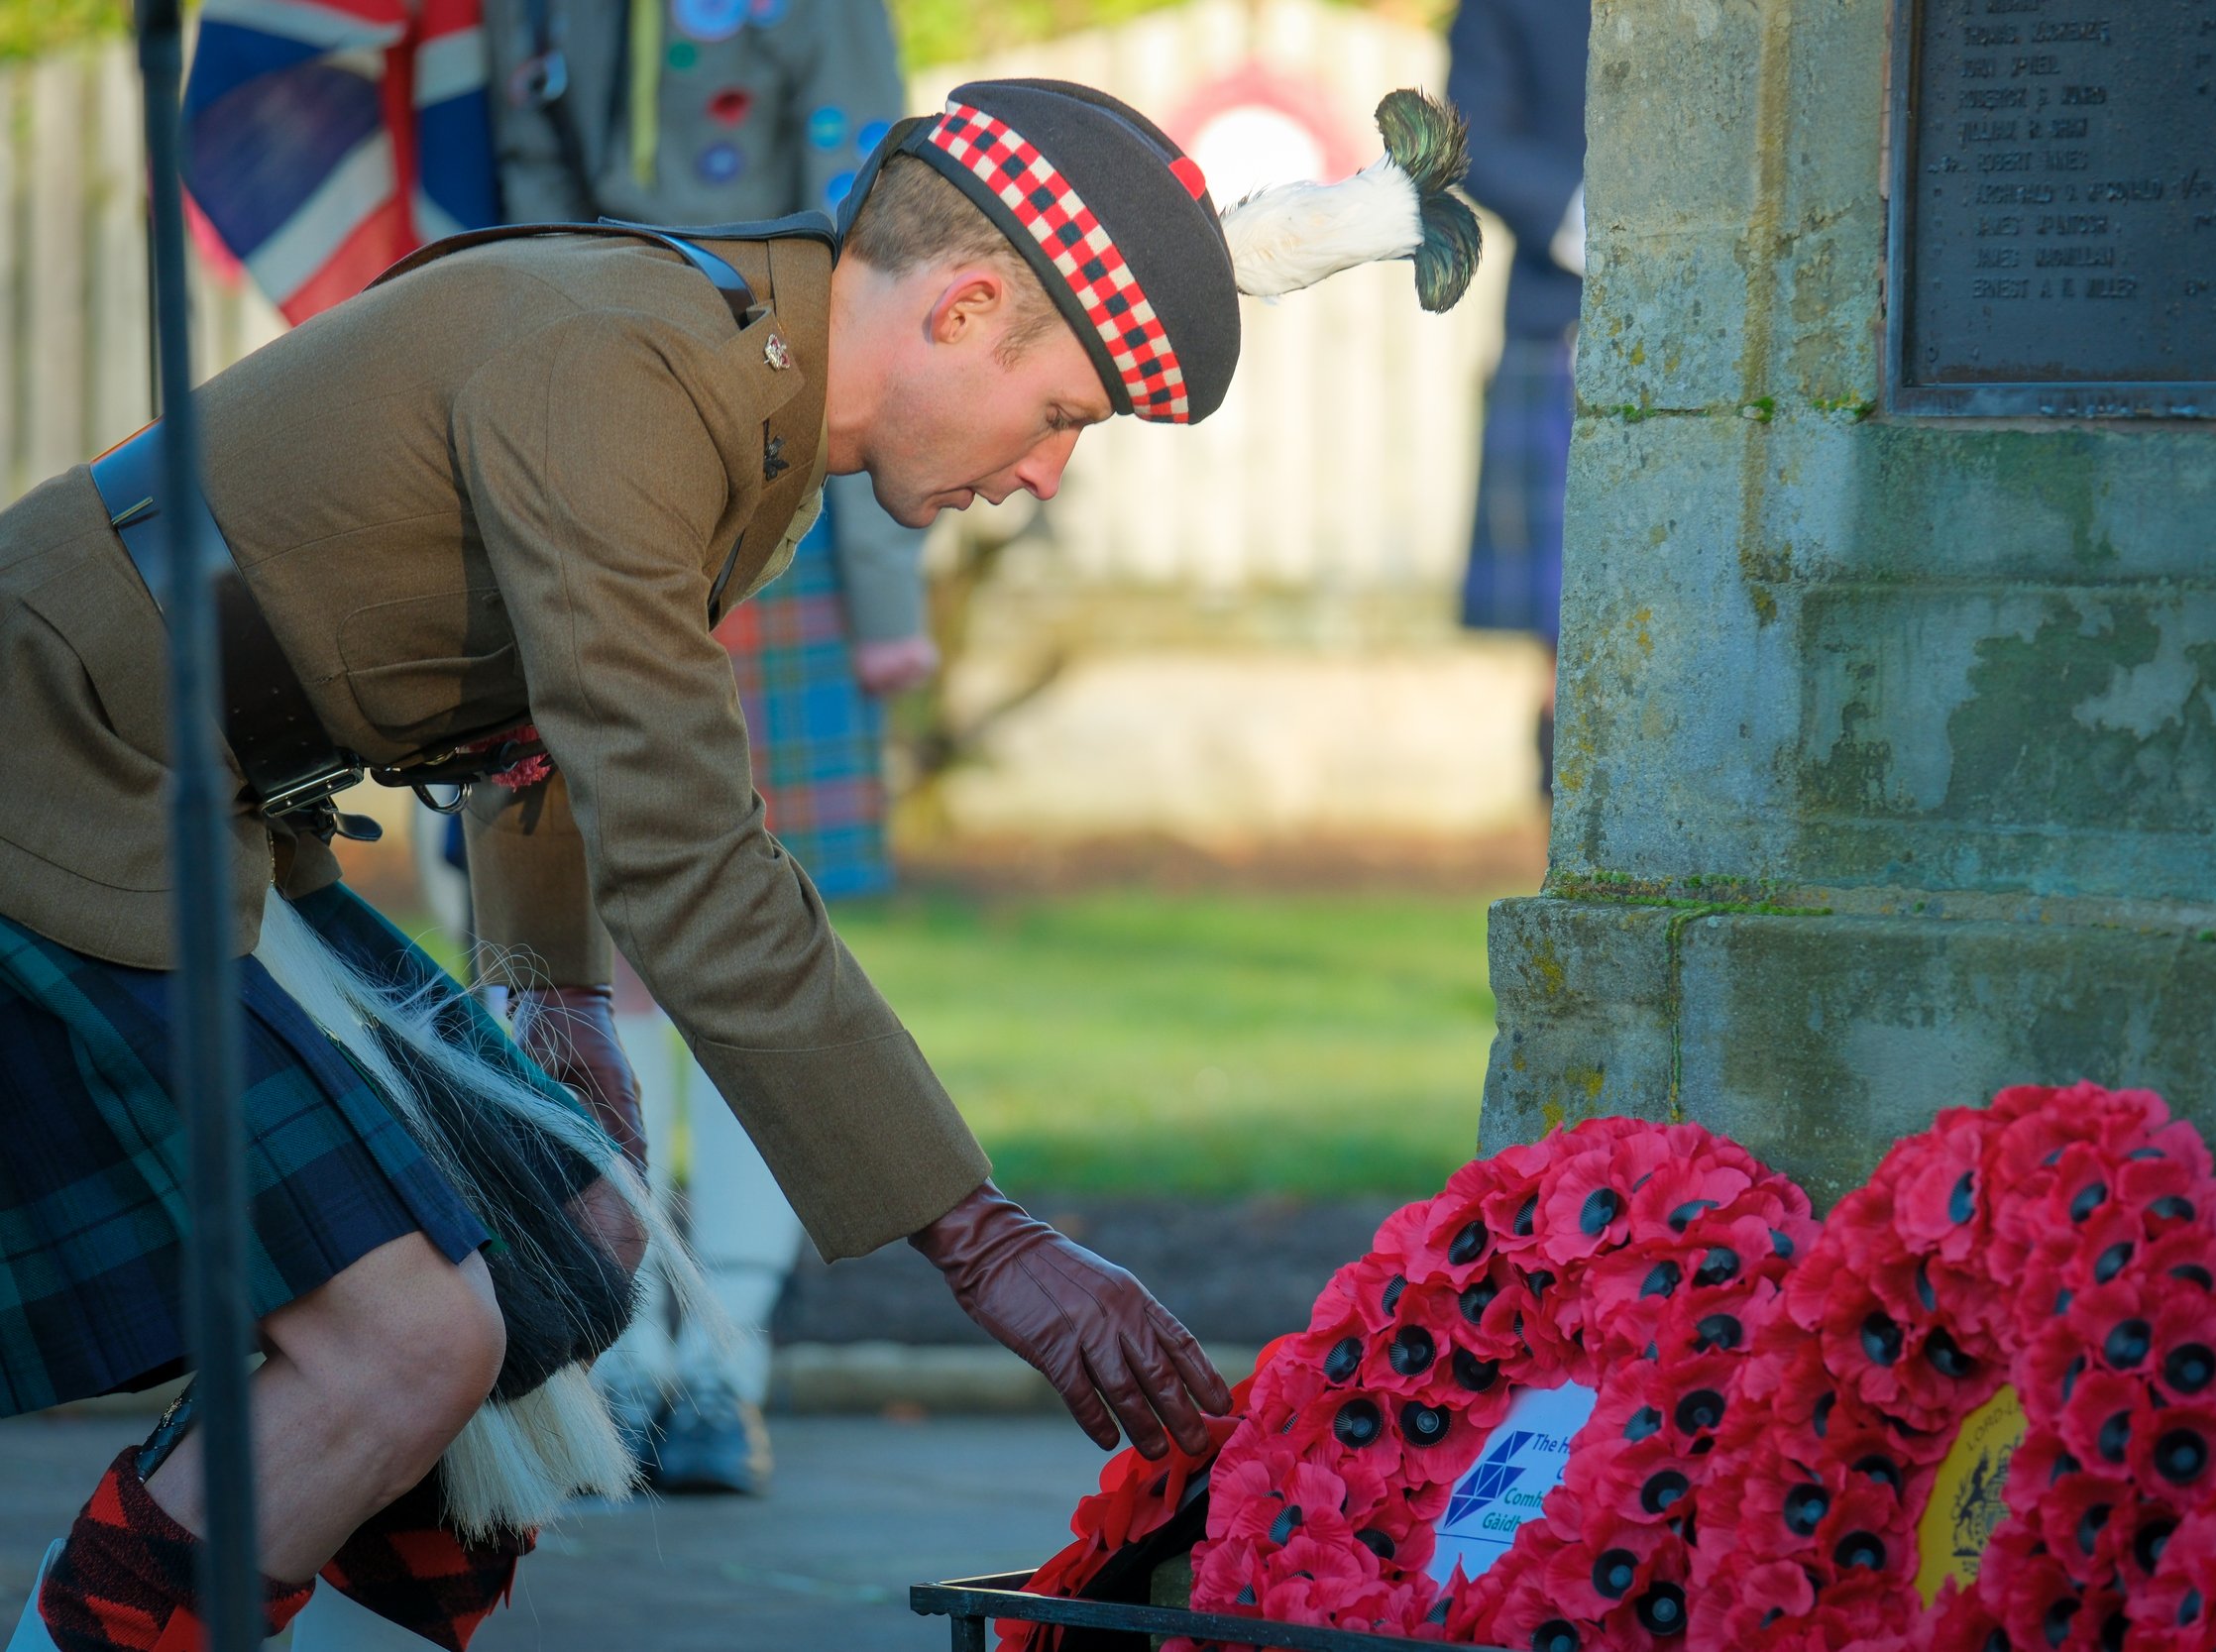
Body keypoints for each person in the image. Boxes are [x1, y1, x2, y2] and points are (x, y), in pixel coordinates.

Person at [0, 77, 1479, 1652]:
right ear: (968, 307)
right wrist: (982, 1233)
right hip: (69, 759)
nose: (1046, 475)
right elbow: (695, 859)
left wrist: (548, 991)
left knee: (577, 1224)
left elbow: (539, 713)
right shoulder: (638, 368)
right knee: (410, 1343)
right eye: (1062, 415)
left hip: (179, 779)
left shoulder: (731, 388)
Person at [476, 0, 937, 1495]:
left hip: (773, 464)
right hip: (580, 465)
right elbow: (528, 241)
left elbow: (878, 286)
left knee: (743, 937)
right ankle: (616, 1350)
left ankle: (724, 1354)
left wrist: (885, 586)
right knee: (578, 953)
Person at [1446, 0, 1590, 794]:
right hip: (1564, 314)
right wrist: (1591, 220)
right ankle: (1571, 861)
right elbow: (1473, 139)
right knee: (1571, 624)